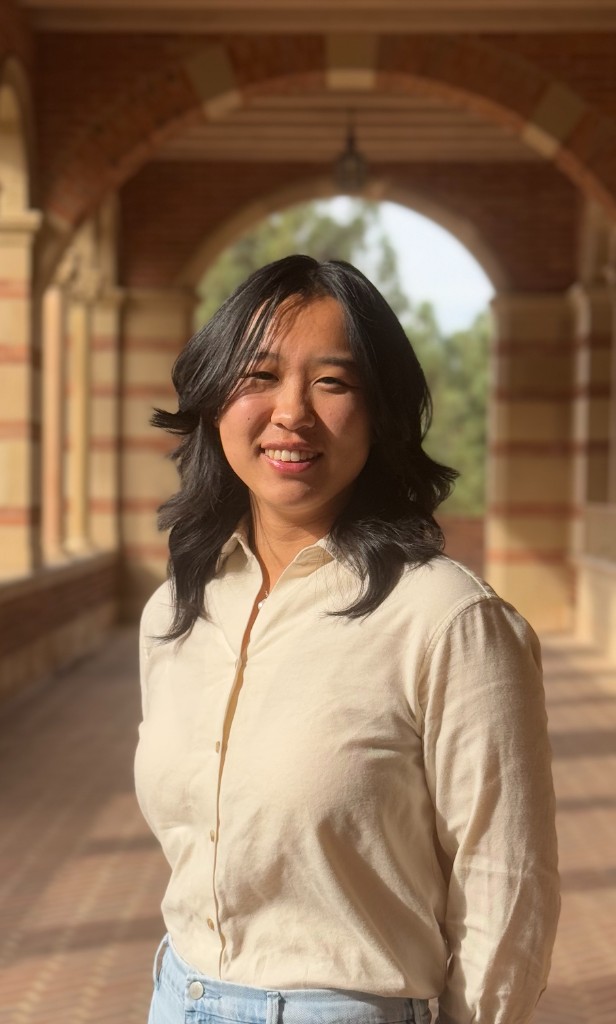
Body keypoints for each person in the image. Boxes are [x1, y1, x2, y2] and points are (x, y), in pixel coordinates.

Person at [135, 254, 560, 1024]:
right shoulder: (178, 609)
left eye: (333, 382)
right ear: (212, 400)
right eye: (258, 375)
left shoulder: (447, 620)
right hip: (178, 994)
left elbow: (507, 885)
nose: (291, 412)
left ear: (381, 413)